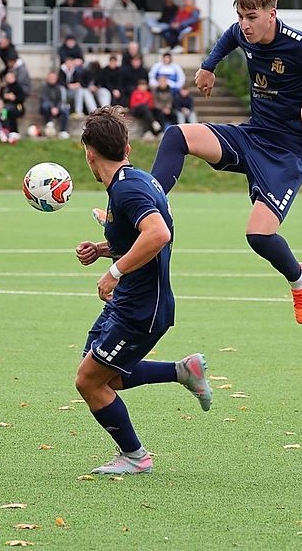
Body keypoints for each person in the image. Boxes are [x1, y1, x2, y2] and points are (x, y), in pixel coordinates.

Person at [149, 0, 302, 324]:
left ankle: (300, 280)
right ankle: (146, 207)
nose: (244, 25)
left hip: (286, 153)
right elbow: (229, 36)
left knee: (258, 235)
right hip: (252, 136)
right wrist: (208, 66)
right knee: (176, 136)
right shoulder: (242, 33)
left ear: (272, 14)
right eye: (241, 16)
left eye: (252, 17)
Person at [73, 106, 212, 475]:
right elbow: (143, 235)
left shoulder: (128, 189)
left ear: (89, 152)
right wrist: (103, 250)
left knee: (89, 380)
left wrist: (114, 271)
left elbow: (158, 234)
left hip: (141, 309)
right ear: (127, 149)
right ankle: (184, 371)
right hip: (130, 301)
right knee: (108, 376)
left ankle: (136, 457)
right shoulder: (131, 181)